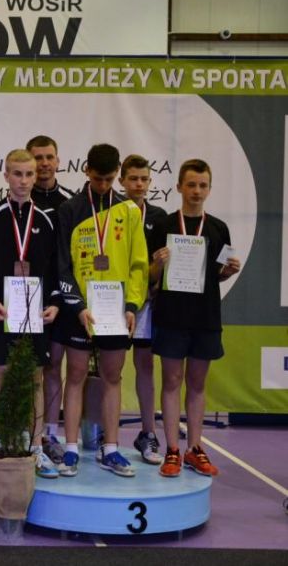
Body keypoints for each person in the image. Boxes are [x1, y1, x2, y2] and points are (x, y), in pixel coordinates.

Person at [56, 144, 148, 477]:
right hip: (80, 309)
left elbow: (139, 264)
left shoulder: (129, 211)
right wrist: (78, 307)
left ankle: (111, 449)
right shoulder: (69, 209)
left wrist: (132, 305)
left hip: (115, 310)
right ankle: (70, 450)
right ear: (86, 171)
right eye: (98, 179)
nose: (104, 185)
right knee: (76, 375)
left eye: (110, 179)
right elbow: (62, 266)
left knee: (112, 376)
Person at [0, 149, 60, 476]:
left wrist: (54, 303)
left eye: (29, 174)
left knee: (35, 377)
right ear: (5, 175)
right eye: (17, 174)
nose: (23, 181)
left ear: (36, 177)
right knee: (3, 374)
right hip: (3, 311)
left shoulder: (47, 218)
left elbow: (56, 269)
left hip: (35, 311)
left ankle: (36, 447)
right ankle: (2, 438)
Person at [150, 159, 240, 477]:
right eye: (191, 184)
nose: (196, 191)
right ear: (179, 187)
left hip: (205, 316)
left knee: (198, 383)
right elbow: (150, 276)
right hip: (171, 316)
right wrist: (158, 264)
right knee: (172, 381)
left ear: (209, 189)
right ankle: (172, 449)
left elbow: (218, 274)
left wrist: (229, 271)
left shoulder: (219, 228)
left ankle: (195, 448)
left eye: (202, 185)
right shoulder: (163, 225)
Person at [25, 135, 74, 467]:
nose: (44, 163)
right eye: (38, 158)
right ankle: (30, 432)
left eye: (49, 157)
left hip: (62, 295)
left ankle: (51, 433)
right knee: (33, 369)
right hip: (26, 295)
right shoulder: (19, 197)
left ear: (58, 161)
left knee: (56, 365)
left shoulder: (70, 202)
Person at [118, 154, 167, 465]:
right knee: (106, 368)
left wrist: (157, 271)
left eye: (144, 179)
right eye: (133, 178)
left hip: (146, 302)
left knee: (145, 365)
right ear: (122, 180)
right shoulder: (111, 211)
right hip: (113, 301)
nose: (139, 184)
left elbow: (162, 268)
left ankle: (148, 433)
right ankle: (101, 434)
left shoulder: (160, 217)